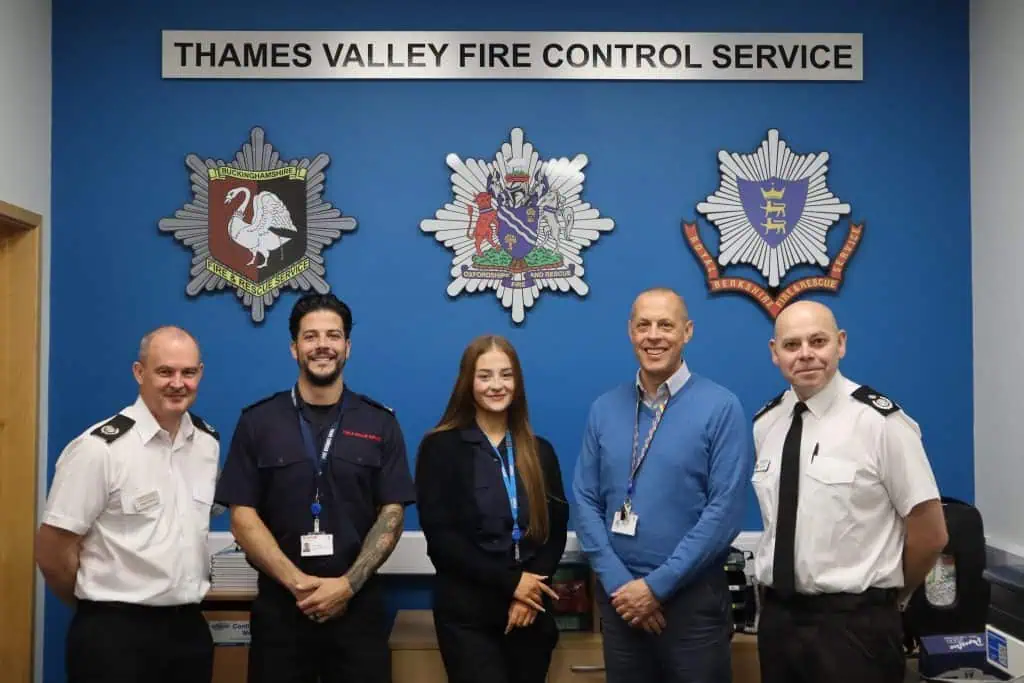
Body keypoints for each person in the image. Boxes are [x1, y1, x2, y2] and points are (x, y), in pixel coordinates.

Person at [214, 293, 416, 683]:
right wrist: (298, 585)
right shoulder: (258, 422)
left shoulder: (380, 423)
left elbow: (392, 513)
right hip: (281, 611)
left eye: (333, 335)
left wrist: (345, 586)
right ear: (294, 348)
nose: (322, 345)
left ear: (347, 347)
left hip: (358, 610)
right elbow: (241, 516)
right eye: (310, 336)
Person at [750, 300, 949, 683]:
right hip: (779, 623)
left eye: (818, 341)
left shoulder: (880, 423)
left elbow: (931, 532)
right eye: (792, 345)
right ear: (775, 353)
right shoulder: (766, 423)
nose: (806, 354)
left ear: (840, 344)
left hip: (856, 627)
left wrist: (888, 596)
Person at [572, 287, 754, 683]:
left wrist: (656, 588)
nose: (654, 335)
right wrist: (624, 587)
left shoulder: (721, 408)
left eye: (666, 325)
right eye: (644, 325)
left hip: (692, 606)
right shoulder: (604, 408)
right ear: (630, 332)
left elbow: (725, 512)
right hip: (621, 605)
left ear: (687, 332)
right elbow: (585, 499)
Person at [35, 326, 219, 683]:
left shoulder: (206, 444)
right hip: (115, 636)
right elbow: (52, 550)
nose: (177, 383)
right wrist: (98, 604)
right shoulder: (99, 449)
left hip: (188, 631)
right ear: (139, 373)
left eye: (188, 372)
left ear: (200, 374)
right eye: (165, 371)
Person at [416, 335, 569, 683]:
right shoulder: (440, 449)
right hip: (468, 618)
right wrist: (512, 583)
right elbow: (442, 541)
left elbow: (556, 530)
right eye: (485, 376)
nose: (496, 386)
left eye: (506, 375)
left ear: (518, 382)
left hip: (529, 613)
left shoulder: (539, 451)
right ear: (467, 382)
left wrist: (528, 596)